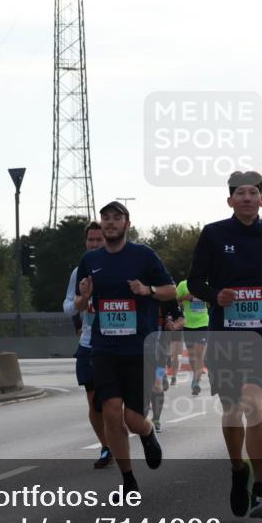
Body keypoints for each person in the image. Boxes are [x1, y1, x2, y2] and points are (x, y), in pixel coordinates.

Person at [188, 170, 262, 519]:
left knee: (252, 403)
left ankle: (261, 488)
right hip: (225, 334)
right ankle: (237, 469)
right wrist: (217, 295)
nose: (246, 198)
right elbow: (194, 281)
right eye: (240, 193)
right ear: (230, 200)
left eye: (253, 193)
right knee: (232, 409)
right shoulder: (214, 234)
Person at [75, 200, 174, 494]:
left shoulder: (143, 256)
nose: (110, 223)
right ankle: (128, 479)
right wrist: (84, 297)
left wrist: (148, 290)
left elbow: (170, 290)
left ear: (127, 224)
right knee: (111, 410)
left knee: (132, 418)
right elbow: (80, 305)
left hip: (138, 349)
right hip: (104, 347)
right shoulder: (90, 260)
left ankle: (147, 431)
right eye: (105, 218)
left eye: (116, 218)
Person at [63, 221, 111, 468]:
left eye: (98, 240)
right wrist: (83, 299)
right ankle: (106, 446)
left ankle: (127, 433)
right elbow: (68, 305)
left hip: (116, 342)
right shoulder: (78, 272)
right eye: (90, 240)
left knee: (115, 402)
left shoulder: (120, 267)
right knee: (94, 401)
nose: (94, 245)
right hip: (88, 342)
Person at [149, 299, 184, 433]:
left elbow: (181, 319)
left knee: (157, 385)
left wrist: (174, 325)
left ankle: (156, 419)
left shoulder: (168, 298)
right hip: (138, 348)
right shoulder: (136, 294)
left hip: (160, 350)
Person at [176, 280, 209, 396]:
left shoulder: (206, 284)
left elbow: (213, 299)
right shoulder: (182, 285)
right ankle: (196, 376)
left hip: (203, 323)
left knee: (199, 354)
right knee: (192, 355)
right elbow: (175, 300)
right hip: (188, 324)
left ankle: (196, 381)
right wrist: (185, 297)